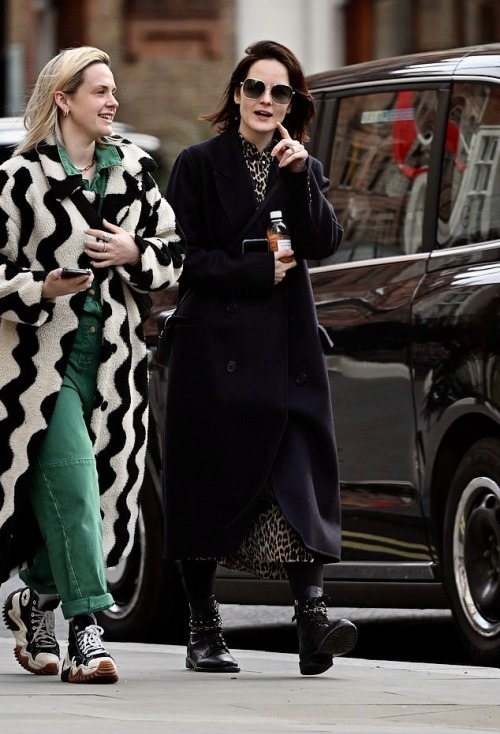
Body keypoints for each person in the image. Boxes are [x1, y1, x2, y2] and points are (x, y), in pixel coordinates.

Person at [163, 39, 357, 677]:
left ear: (293, 104)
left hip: (285, 350)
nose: (265, 101)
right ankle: (203, 624)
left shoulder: (301, 165)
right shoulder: (196, 164)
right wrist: (253, 269)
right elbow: (182, 259)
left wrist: (303, 179)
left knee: (297, 474)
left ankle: (312, 620)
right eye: (254, 88)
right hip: (213, 352)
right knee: (208, 486)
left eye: (280, 93)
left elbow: (323, 241)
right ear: (236, 94)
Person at [0, 46, 184, 684]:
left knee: (101, 503)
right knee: (76, 485)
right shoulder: (18, 179)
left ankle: (34, 601)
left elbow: (174, 254)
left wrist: (136, 251)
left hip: (115, 367)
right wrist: (39, 287)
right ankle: (87, 634)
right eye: (99, 91)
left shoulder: (133, 170)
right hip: (36, 372)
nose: (112, 101)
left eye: (113, 90)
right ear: (63, 100)